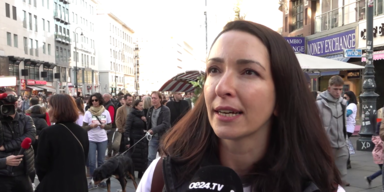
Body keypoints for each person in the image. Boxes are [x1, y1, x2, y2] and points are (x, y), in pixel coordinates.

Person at [137, 20, 343, 192]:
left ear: (281, 96)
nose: (222, 87)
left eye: (248, 72)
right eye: (215, 69)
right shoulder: (161, 177)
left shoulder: (321, 187)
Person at [35, 94, 89, 192]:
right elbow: (83, 158)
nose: (47, 111)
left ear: (58, 109)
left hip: (55, 185)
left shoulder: (48, 133)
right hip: (79, 184)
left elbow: (41, 165)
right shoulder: (82, 131)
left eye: (49, 107)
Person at [317, 76, 349, 186]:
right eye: (335, 89)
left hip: (341, 145)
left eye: (340, 89)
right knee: (326, 177)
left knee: (342, 177)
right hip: (327, 145)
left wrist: (345, 142)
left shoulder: (343, 103)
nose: (338, 92)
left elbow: (343, 124)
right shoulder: (319, 103)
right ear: (329, 88)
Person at [0, 90, 35, 192]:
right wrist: (4, 161)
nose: (7, 109)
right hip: (2, 175)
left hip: (23, 172)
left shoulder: (26, 119)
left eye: (10, 106)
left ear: (16, 104)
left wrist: (6, 147)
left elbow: (30, 137)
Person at [83, 93, 112, 189]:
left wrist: (104, 126)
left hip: (102, 139)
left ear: (100, 100)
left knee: (101, 161)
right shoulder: (88, 112)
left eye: (96, 100)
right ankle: (92, 181)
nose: (94, 102)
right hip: (91, 139)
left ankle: (100, 180)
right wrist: (90, 126)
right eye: (92, 100)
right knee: (91, 161)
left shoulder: (105, 112)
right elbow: (84, 128)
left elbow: (110, 126)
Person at [124, 100, 148, 179]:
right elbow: (127, 128)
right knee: (133, 156)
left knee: (142, 156)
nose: (142, 107)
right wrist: (127, 140)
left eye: (142, 105)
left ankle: (141, 172)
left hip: (142, 138)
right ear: (136, 106)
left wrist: (145, 121)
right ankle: (130, 172)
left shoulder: (143, 114)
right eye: (140, 105)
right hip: (134, 138)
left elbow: (146, 127)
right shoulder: (131, 115)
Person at [146, 91, 170, 166]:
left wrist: (153, 130)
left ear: (160, 99)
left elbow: (166, 124)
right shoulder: (150, 110)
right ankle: (150, 176)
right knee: (150, 158)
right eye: (152, 98)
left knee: (164, 158)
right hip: (153, 138)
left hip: (163, 137)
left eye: (155, 98)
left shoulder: (165, 109)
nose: (153, 100)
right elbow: (148, 122)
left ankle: (163, 175)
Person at [343, 91, 357, 169]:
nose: (344, 99)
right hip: (347, 127)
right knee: (345, 144)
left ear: (350, 97)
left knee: (345, 145)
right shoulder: (348, 104)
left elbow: (348, 113)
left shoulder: (352, 105)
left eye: (345, 97)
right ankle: (347, 161)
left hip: (348, 127)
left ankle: (347, 162)